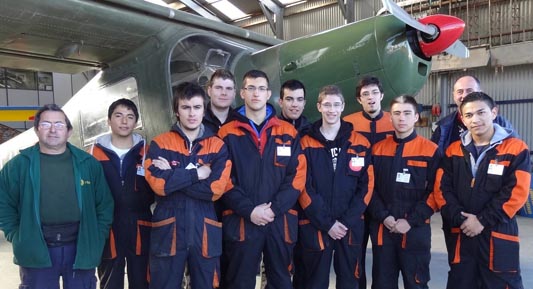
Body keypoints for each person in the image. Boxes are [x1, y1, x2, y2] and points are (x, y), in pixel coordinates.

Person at [0, 104, 114, 289]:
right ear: (37, 130)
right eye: (46, 124)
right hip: (36, 248)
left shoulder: (88, 164)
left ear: (69, 131)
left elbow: (104, 205)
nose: (53, 129)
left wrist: (97, 236)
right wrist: (16, 234)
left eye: (59, 125)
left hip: (80, 247)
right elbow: (3, 203)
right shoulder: (18, 166)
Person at [217, 70, 306, 289]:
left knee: (281, 282)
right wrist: (249, 210)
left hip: (279, 220)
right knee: (239, 282)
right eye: (251, 88)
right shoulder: (226, 133)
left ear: (269, 94)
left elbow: (297, 177)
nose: (256, 93)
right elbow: (223, 178)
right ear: (242, 93)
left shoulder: (287, 132)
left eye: (261, 88)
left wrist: (274, 209)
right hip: (241, 220)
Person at [434, 92, 531, 289]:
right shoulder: (453, 150)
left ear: (494, 112)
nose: (475, 119)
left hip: (497, 232)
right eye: (469, 115)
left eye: (481, 112)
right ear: (462, 118)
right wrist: (461, 219)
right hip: (462, 232)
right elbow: (442, 189)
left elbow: (516, 193)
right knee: (461, 282)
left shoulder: (516, 148)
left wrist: (481, 221)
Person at [144, 82, 232, 289]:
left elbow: (215, 190)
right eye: (185, 107)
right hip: (169, 228)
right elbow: (159, 185)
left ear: (204, 109)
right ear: (177, 111)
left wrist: (173, 177)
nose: (191, 113)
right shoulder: (160, 144)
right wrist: (197, 174)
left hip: (204, 227)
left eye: (197, 107)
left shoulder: (217, 146)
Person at [295, 85, 373, 289]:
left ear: (343, 107)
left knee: (350, 281)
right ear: (319, 107)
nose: (331, 110)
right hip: (316, 224)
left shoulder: (360, 143)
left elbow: (366, 187)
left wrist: (346, 221)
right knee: (314, 282)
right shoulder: (305, 143)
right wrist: (327, 223)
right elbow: (303, 186)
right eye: (327, 105)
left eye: (336, 105)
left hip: (350, 226)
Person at [369, 95, 441, 289]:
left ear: (416, 117)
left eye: (407, 113)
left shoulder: (431, 151)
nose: (402, 118)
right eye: (397, 113)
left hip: (415, 231)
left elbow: (436, 192)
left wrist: (410, 221)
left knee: (416, 283)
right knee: (382, 284)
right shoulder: (377, 150)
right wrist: (384, 217)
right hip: (384, 229)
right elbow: (369, 189)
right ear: (390, 118)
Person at [90, 98, 154, 289]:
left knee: (143, 281)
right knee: (110, 281)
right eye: (118, 116)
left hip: (141, 226)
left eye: (130, 117)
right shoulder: (93, 155)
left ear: (136, 122)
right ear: (108, 121)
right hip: (108, 227)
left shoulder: (147, 153)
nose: (124, 121)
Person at [342, 75, 394, 289]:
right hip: (357, 202)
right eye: (365, 94)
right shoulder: (349, 123)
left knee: (384, 263)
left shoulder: (393, 120)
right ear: (359, 99)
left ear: (381, 95)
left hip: (386, 201)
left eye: (374, 93)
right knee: (355, 258)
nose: (370, 98)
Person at [431, 75, 516, 152]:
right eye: (460, 92)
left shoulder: (502, 124)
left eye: (469, 90)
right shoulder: (443, 127)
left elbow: (516, 154)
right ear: (454, 95)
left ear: (480, 93)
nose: (464, 96)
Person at [203, 69, 236, 134]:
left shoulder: (241, 122)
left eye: (229, 88)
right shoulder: (197, 120)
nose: (224, 93)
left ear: (234, 93)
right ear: (209, 91)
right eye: (218, 88)